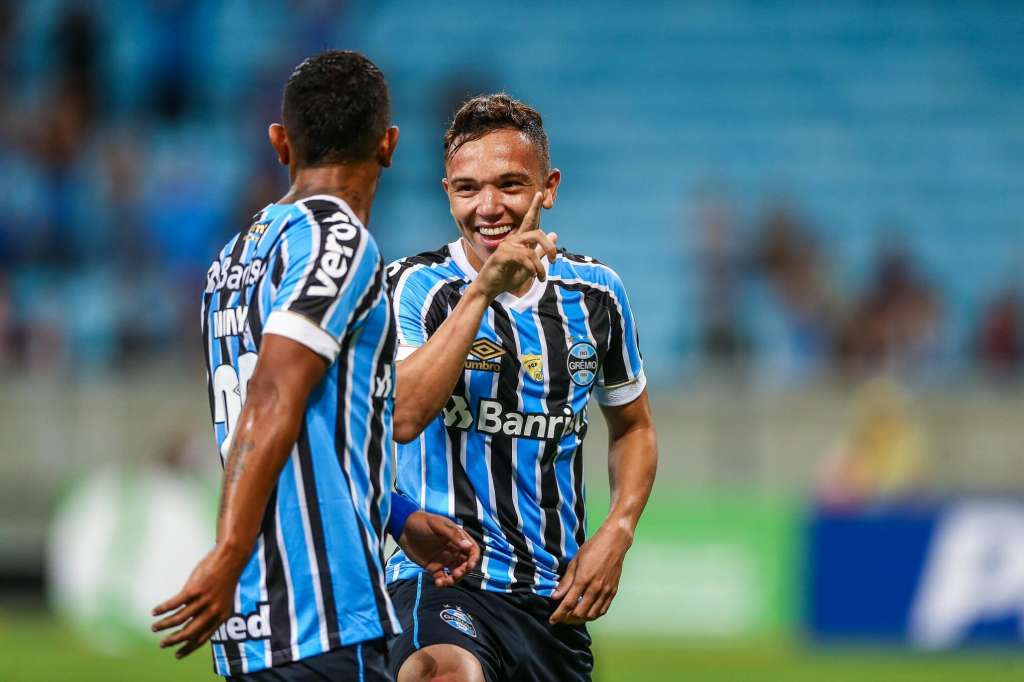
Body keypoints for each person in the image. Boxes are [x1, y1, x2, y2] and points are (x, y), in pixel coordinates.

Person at [151, 51, 479, 681]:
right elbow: (272, 398)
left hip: (252, 618)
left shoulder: (229, 265)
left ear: (281, 144)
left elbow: (312, 420)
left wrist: (396, 514)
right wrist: (227, 553)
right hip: (320, 607)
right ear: (389, 144)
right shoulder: (340, 240)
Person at [384, 94, 658, 682]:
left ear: (548, 187)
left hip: (553, 601)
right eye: (467, 188)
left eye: (510, 185)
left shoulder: (597, 295)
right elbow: (403, 414)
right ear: (447, 193)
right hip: (443, 584)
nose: (488, 207)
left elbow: (634, 428)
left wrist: (619, 530)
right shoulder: (415, 288)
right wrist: (483, 290)